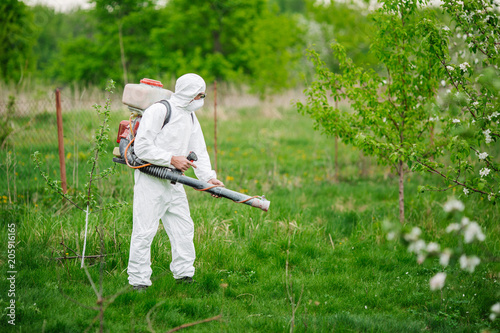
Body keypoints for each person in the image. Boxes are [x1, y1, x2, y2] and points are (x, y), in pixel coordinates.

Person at [127, 73, 224, 291]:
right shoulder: (160, 110)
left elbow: (199, 149)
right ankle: (138, 281)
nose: (201, 99)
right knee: (144, 231)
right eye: (200, 95)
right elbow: (142, 147)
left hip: (175, 181)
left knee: (183, 229)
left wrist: (208, 179)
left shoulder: (190, 115)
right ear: (189, 93)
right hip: (151, 180)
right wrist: (171, 159)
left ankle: (184, 276)